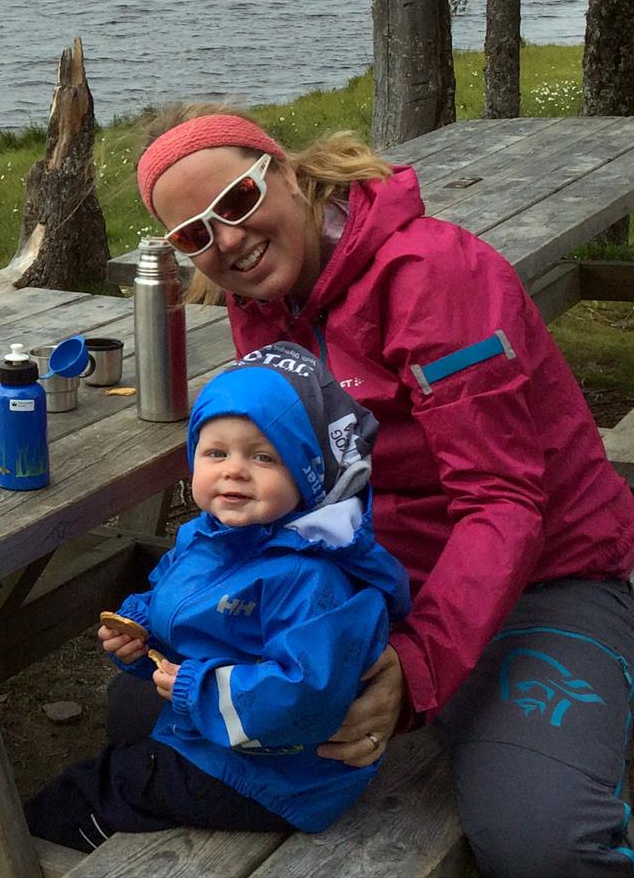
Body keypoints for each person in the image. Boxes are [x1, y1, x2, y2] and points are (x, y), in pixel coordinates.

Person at [121, 107, 634, 877]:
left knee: (544, 841)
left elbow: (503, 503)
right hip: (371, 579)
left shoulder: (434, 275)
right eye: (194, 235)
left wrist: (414, 668)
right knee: (141, 708)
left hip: (546, 579)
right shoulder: (261, 305)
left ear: (287, 172)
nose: (226, 241)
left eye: (235, 202)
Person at [25, 341, 411, 849]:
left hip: (276, 776)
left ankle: (64, 842)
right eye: (215, 452)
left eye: (264, 456)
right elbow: (174, 595)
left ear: (310, 475)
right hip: (224, 739)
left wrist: (194, 688)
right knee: (127, 738)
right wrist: (141, 630)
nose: (233, 470)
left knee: (109, 784)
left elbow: (304, 698)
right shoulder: (207, 535)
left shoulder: (311, 579)